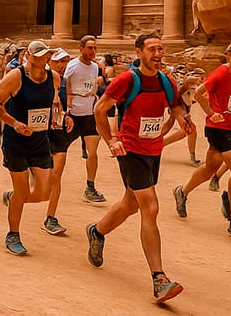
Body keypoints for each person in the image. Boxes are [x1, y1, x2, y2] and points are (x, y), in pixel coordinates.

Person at [86, 33, 187, 303]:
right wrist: (111, 140)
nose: (158, 53)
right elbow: (100, 108)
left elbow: (174, 104)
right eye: (152, 49)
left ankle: (97, 231)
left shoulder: (166, 81)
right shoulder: (127, 80)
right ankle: (159, 279)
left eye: (160, 49)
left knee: (131, 203)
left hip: (153, 150)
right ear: (138, 52)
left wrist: (183, 119)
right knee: (150, 206)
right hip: (130, 150)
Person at [172, 42, 231, 238]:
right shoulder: (220, 73)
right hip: (218, 128)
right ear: (228, 55)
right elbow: (199, 94)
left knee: (211, 167)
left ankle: (182, 192)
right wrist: (211, 113)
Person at [0, 39, 60, 255]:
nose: (42, 58)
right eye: (37, 55)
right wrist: (15, 124)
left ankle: (13, 198)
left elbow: (53, 102)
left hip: (39, 140)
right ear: (28, 56)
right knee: (22, 190)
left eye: (45, 54)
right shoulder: (15, 77)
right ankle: (13, 234)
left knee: (43, 192)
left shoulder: (54, 78)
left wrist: (58, 117)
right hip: (16, 142)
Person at [63, 35, 108, 203]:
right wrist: (66, 110)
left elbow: (93, 86)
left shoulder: (95, 67)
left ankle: (90, 187)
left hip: (89, 115)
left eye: (95, 48)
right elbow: (64, 85)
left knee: (93, 153)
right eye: (90, 48)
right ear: (81, 49)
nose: (93, 51)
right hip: (73, 115)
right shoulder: (72, 66)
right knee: (58, 152)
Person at [42, 47, 78, 234]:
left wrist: (68, 115)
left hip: (59, 131)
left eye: (65, 61)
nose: (63, 65)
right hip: (40, 132)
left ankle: (51, 216)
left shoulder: (65, 82)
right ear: (49, 61)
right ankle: (16, 195)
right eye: (59, 61)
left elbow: (66, 102)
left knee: (57, 174)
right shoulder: (38, 80)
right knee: (41, 180)